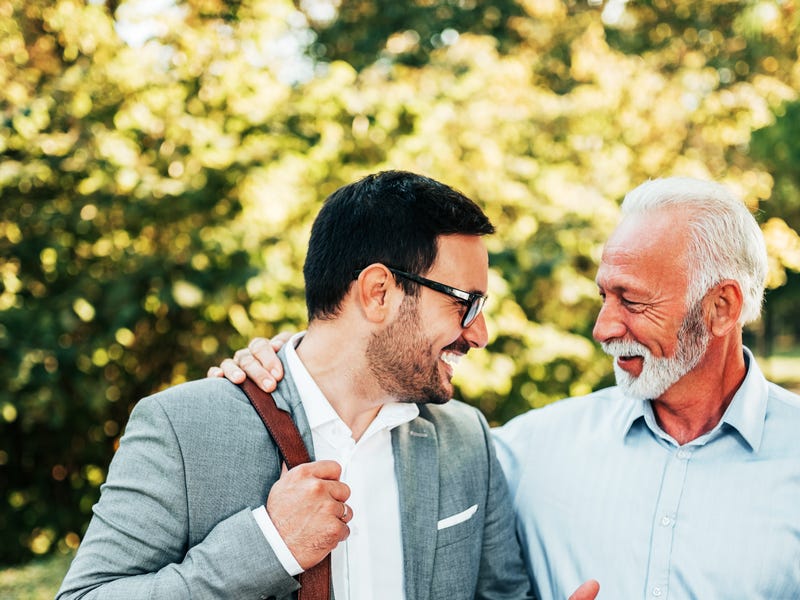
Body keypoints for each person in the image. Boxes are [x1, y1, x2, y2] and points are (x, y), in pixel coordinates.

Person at [214, 176, 800, 599]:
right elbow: (357, 372)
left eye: (633, 301)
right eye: (604, 295)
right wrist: (290, 368)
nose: (603, 327)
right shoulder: (519, 449)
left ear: (722, 306)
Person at [57, 170, 545, 599]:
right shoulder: (183, 429)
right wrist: (270, 546)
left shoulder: (465, 439)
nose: (480, 334)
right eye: (467, 304)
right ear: (379, 293)